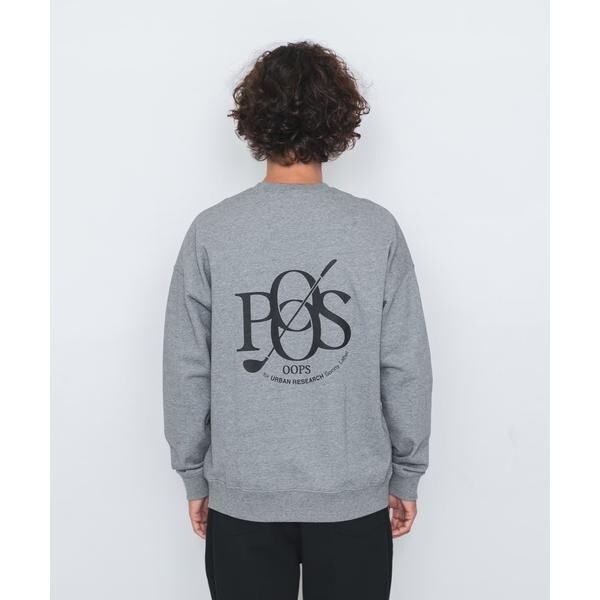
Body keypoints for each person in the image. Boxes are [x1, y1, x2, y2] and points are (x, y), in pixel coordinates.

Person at [163, 41, 432, 600]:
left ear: (253, 118)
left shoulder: (213, 230)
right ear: (339, 119)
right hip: (351, 495)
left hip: (243, 493)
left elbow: (186, 366)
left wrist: (194, 473)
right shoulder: (375, 229)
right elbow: (405, 363)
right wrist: (406, 472)